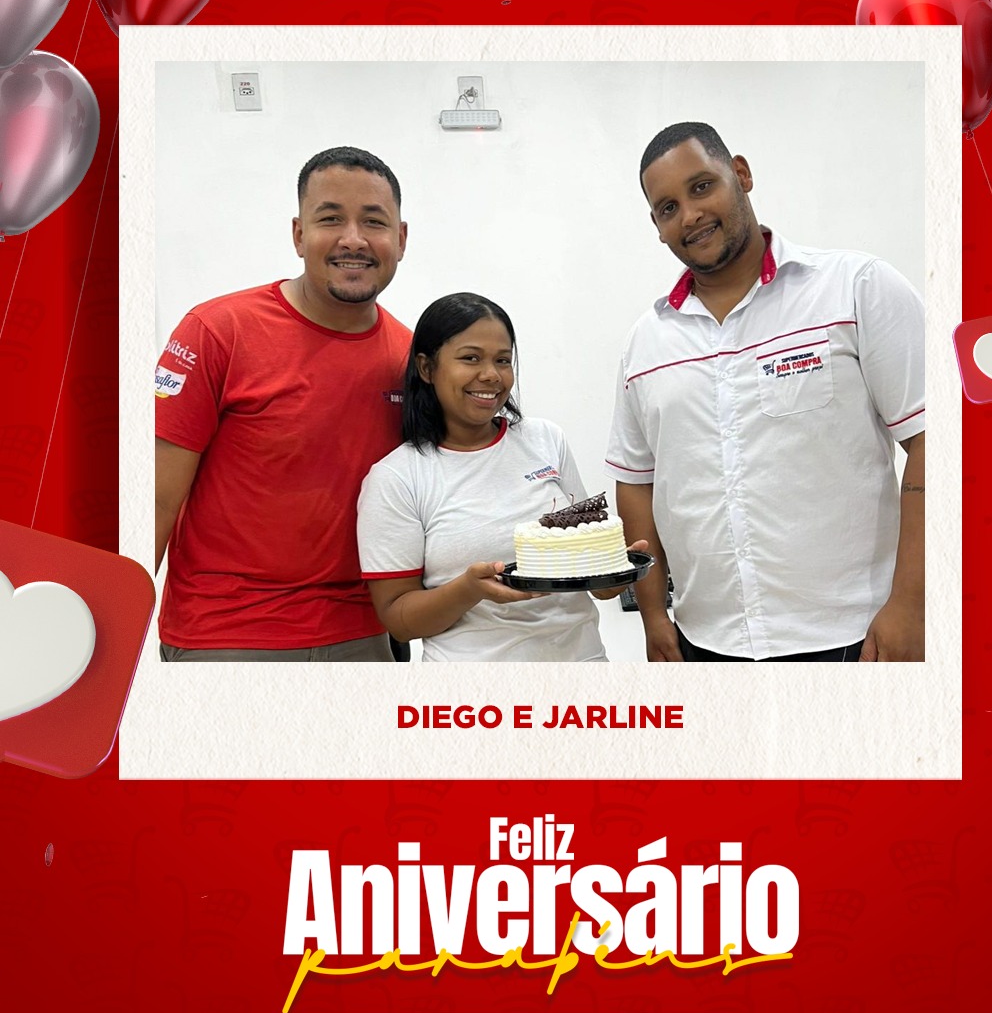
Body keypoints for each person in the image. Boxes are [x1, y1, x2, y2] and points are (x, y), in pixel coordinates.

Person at [606, 121, 925, 663]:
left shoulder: (855, 288)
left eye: (702, 187)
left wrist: (912, 604)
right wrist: (654, 616)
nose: (690, 215)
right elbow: (637, 483)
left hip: (852, 636)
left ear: (741, 174)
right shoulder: (646, 342)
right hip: (706, 642)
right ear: (657, 227)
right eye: (668, 208)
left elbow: (933, 440)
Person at [154, 146, 411, 661]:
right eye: (330, 218)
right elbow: (156, 500)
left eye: (374, 221)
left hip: (362, 635)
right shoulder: (217, 332)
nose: (353, 239)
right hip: (225, 635)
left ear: (401, 239)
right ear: (298, 234)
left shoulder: (409, 358)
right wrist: (108, 624)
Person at [358, 293, 640, 662]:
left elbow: (593, 580)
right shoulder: (397, 478)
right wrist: (469, 590)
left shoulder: (546, 440)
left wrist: (615, 569)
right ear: (426, 368)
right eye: (471, 358)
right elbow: (400, 622)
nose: (491, 375)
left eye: (503, 360)